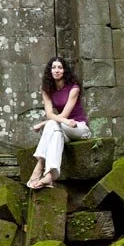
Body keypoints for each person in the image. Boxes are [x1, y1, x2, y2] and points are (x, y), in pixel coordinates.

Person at [27, 56, 91, 189]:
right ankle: (50, 175)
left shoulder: (74, 88)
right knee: (55, 134)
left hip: (79, 128)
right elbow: (50, 114)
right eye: (54, 67)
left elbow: (63, 115)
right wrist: (63, 121)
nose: (57, 70)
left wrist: (43, 124)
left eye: (60, 68)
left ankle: (39, 165)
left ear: (64, 71)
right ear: (50, 71)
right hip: (63, 126)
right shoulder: (47, 89)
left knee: (52, 125)